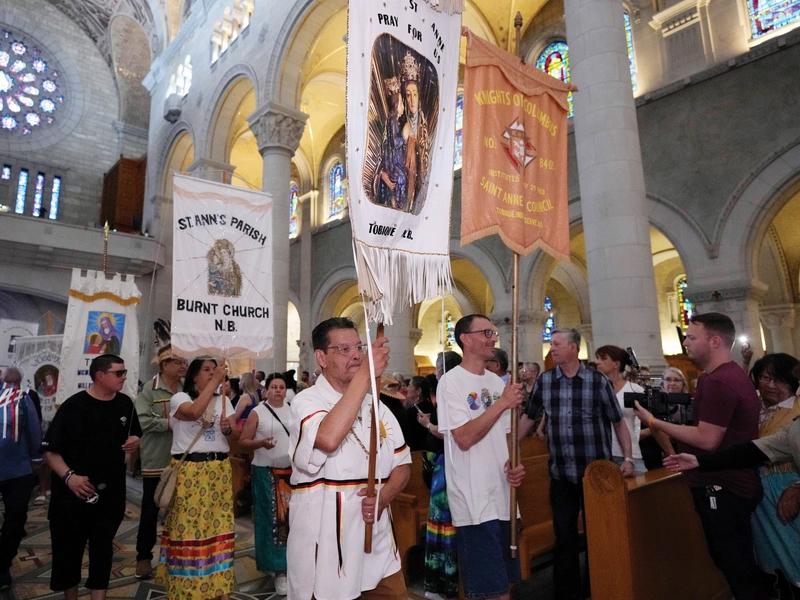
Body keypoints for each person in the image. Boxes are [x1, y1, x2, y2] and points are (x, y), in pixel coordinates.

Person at [635, 313, 766, 600]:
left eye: (692, 337)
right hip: (723, 481)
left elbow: (708, 439)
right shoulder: (719, 376)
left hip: (725, 487)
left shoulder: (720, 381)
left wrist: (654, 422)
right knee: (734, 564)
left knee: (738, 568)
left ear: (715, 340)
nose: (685, 342)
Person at [287, 317, 411, 600]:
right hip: (328, 538)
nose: (356, 355)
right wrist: (366, 375)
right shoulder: (306, 402)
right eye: (344, 349)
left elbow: (402, 464)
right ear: (321, 357)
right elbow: (329, 439)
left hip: (375, 535)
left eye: (359, 347)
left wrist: (385, 495)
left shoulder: (376, 405)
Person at [519, 328, 634, 600]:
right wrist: (507, 448)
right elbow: (528, 417)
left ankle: (599, 588)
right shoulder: (546, 381)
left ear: (573, 348)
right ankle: (566, 593)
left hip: (595, 475)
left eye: (557, 344)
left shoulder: (597, 381)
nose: (552, 349)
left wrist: (627, 458)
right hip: (561, 474)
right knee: (565, 538)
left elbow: (617, 422)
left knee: (598, 535)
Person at [437, 315, 525, 600]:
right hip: (475, 501)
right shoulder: (451, 383)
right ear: (466, 338)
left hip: (502, 496)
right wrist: (502, 404)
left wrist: (515, 464)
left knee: (506, 586)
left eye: (494, 332)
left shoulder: (497, 383)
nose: (493, 338)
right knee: (491, 592)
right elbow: (463, 438)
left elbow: (509, 436)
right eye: (486, 332)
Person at [41, 354, 141, 600]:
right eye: (119, 373)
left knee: (103, 550)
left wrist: (134, 441)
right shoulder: (74, 406)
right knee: (69, 553)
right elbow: (50, 451)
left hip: (110, 494)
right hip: (72, 495)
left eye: (125, 372)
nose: (124, 377)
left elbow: (135, 434)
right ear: (100, 375)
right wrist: (69, 477)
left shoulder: (125, 404)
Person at [156, 357, 238, 600]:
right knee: (189, 532)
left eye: (215, 370)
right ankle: (187, 589)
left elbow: (236, 437)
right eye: (206, 370)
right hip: (191, 473)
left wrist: (227, 429)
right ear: (193, 376)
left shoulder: (223, 401)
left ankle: (220, 588)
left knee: (219, 530)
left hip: (219, 471)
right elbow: (193, 413)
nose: (213, 373)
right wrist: (215, 383)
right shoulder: (180, 399)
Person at [133, 342, 187, 580]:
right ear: (165, 365)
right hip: (157, 459)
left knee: (181, 510)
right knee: (150, 510)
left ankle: (178, 555)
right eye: (178, 362)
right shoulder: (149, 390)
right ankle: (143, 557)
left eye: (184, 362)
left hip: (183, 460)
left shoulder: (187, 389)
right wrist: (170, 423)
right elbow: (143, 421)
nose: (183, 365)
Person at [239, 373, 294, 595]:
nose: (278, 390)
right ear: (266, 390)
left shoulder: (293, 409)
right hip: (267, 473)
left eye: (281, 387)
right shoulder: (258, 412)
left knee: (292, 520)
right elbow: (243, 441)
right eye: (273, 387)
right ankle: (278, 568)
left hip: (292, 473)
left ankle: (293, 564)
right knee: (274, 522)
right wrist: (261, 443)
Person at [749, 353, 800, 594]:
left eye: (778, 379)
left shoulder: (797, 410)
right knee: (771, 559)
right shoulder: (752, 408)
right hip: (760, 493)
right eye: (764, 377)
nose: (770, 385)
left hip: (789, 486)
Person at [417, 351, 462, 600]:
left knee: (442, 522)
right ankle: (446, 581)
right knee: (444, 522)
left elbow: (449, 433)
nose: (434, 372)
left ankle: (441, 583)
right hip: (447, 462)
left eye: (436, 368)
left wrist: (427, 425)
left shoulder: (447, 387)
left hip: (446, 464)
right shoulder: (456, 386)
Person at [0, 368, 42, 589]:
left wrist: (36, 459)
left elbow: (34, 430)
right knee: (14, 518)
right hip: (17, 467)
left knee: (15, 519)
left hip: (17, 469)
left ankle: (3, 564)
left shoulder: (19, 396)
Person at [593, 345, 647, 474]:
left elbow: (651, 422)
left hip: (629, 453)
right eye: (597, 358)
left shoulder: (634, 390)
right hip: (603, 453)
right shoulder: (594, 390)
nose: (597, 362)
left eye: (603, 359)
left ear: (616, 364)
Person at [375, 78, 409, 210]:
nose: (403, 107)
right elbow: (395, 143)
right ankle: (399, 206)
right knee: (401, 179)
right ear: (396, 105)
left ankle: (399, 205)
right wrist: (404, 136)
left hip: (395, 162)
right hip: (393, 165)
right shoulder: (393, 120)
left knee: (403, 177)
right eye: (401, 103)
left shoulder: (394, 121)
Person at [403, 375, 435, 451]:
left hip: (417, 451)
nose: (407, 389)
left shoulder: (417, 411)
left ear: (418, 391)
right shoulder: (427, 406)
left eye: (410, 386)